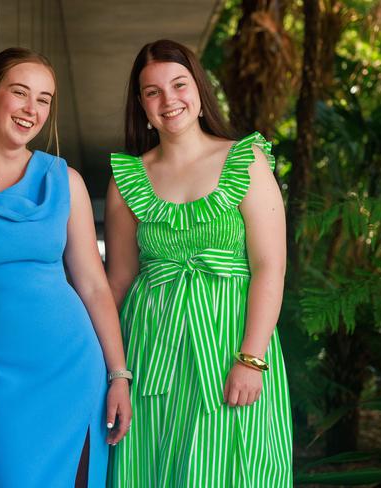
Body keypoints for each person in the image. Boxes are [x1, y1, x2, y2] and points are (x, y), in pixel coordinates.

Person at [0, 47, 131, 487]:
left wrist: (118, 375)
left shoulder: (64, 179)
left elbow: (93, 285)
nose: (31, 110)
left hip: (73, 368)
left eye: (44, 99)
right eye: (20, 93)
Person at [105, 39, 293, 487]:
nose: (169, 100)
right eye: (153, 92)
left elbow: (270, 266)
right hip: (152, 350)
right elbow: (118, 280)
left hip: (232, 342)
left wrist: (252, 358)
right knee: (152, 466)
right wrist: (95, 360)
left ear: (199, 88)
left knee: (238, 467)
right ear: (141, 105)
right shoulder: (128, 180)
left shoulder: (244, 160)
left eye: (179, 84)